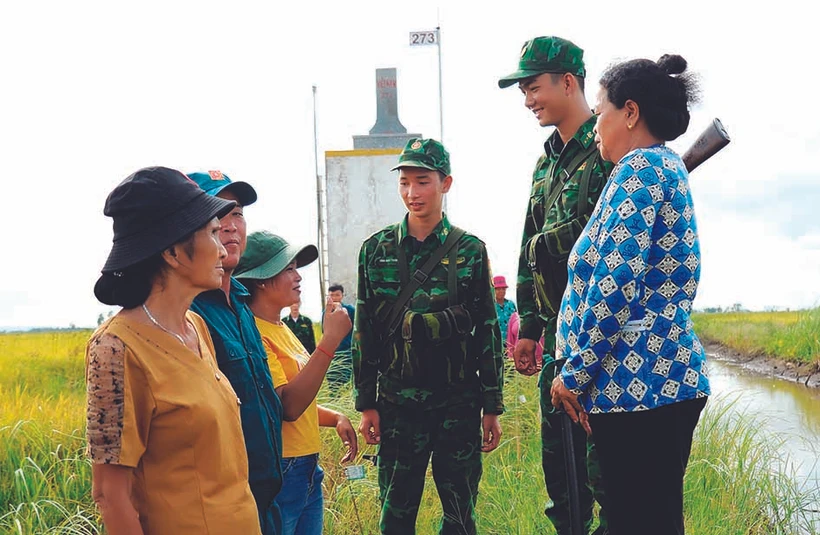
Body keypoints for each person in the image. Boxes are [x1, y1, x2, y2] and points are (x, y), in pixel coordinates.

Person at [550, 54, 710, 535]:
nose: (595, 125)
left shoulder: (640, 171)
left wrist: (573, 374)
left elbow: (613, 285)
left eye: (600, 112)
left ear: (631, 112)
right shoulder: (658, 169)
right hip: (647, 386)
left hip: (642, 387)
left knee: (637, 522)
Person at [86, 166, 261, 534]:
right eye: (213, 233)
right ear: (172, 251)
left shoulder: (196, 328)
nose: (222, 247)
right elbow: (109, 493)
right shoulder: (116, 348)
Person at [353, 138, 504, 535]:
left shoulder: (470, 251)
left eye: (422, 182)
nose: (412, 193)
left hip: (457, 403)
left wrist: (492, 405)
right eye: (404, 183)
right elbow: (364, 330)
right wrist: (366, 402)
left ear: (445, 184)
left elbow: (488, 329)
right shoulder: (375, 250)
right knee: (396, 513)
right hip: (398, 403)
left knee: (459, 513)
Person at [498, 36, 610, 534]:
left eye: (534, 87)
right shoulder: (546, 164)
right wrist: (529, 326)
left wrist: (554, 240)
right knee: (562, 483)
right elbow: (529, 247)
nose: (528, 101)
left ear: (569, 82)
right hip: (559, 346)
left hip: (604, 343)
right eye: (523, 91)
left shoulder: (611, 148)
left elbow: (612, 239)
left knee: (608, 477)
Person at [234, 230, 358, 535]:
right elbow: (287, 406)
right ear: (262, 279)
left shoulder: (281, 328)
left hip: (306, 468)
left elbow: (295, 399)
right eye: (288, 269)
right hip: (283, 470)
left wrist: (335, 417)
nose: (297, 276)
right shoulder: (255, 334)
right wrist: (329, 341)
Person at [188, 170, 284, 535]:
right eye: (218, 214)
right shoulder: (189, 312)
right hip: (221, 509)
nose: (230, 226)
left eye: (238, 213)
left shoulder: (244, 305)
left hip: (266, 497)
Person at [323, 283, 355, 391]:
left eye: (337, 295)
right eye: (332, 295)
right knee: (333, 383)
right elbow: (324, 332)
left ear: (342, 295)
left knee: (348, 382)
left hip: (347, 352)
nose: (335, 298)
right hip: (332, 353)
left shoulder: (350, 311)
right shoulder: (326, 312)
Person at [492, 275, 517, 343]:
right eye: (498, 289)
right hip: (497, 343)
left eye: (503, 289)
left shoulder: (511, 305)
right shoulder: (491, 306)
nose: (501, 291)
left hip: (512, 343)